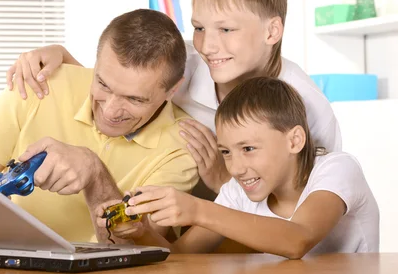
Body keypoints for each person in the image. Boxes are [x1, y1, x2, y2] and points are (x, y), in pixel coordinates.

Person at [3, 0, 342, 194]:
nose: (208, 45)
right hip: (186, 210)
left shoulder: (308, 109)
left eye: (226, 29)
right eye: (198, 27)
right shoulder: (188, 64)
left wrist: (225, 181)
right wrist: (60, 56)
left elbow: (306, 206)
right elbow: (121, 82)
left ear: (272, 31)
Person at [0, 9, 198, 250]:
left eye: (135, 99)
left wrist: (94, 174)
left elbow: (138, 256)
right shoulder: (42, 85)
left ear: (172, 90)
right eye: (103, 85)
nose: (110, 111)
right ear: (95, 65)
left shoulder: (184, 148)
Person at [96, 77, 379, 259]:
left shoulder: (337, 169)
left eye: (248, 149)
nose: (237, 168)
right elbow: (181, 255)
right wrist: (141, 231)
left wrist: (197, 209)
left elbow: (298, 238)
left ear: (294, 140)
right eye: (226, 152)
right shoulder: (239, 191)